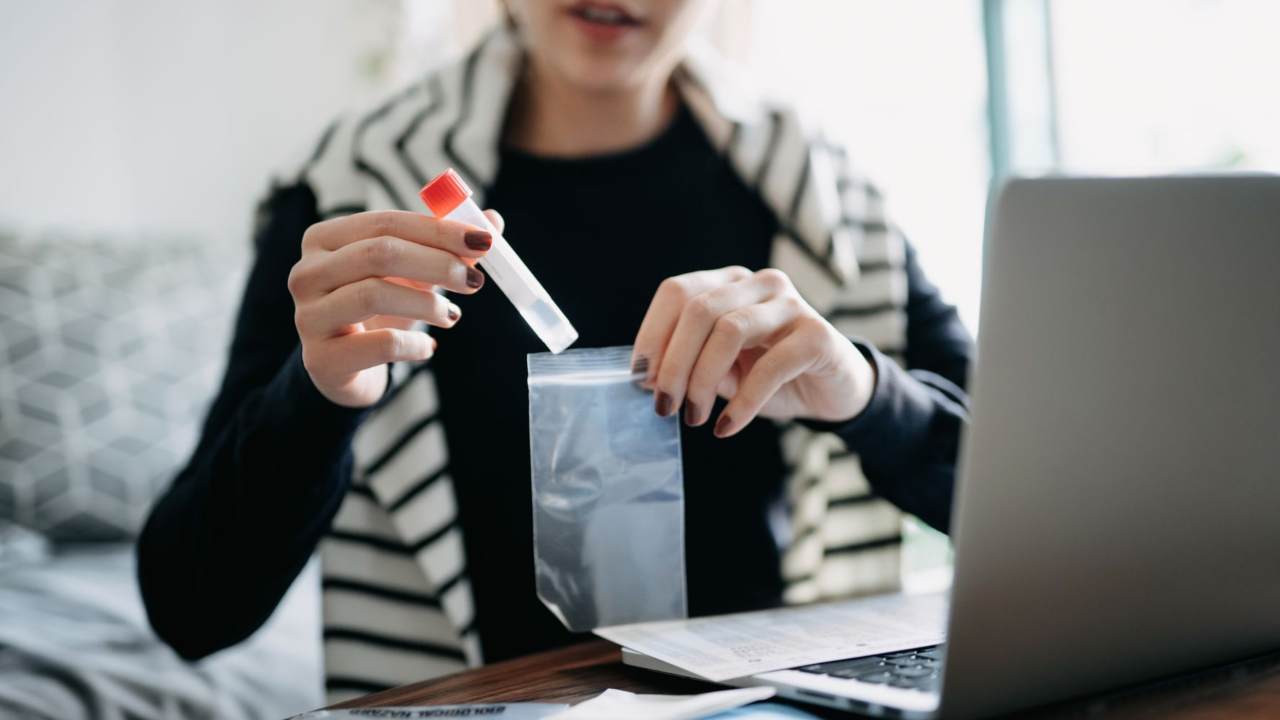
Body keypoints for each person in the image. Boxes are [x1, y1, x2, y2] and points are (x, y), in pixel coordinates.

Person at [138, 0, 972, 701]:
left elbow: (1039, 512)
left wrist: (864, 392)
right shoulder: (353, 191)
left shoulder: (822, 196)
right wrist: (319, 397)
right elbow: (190, 610)